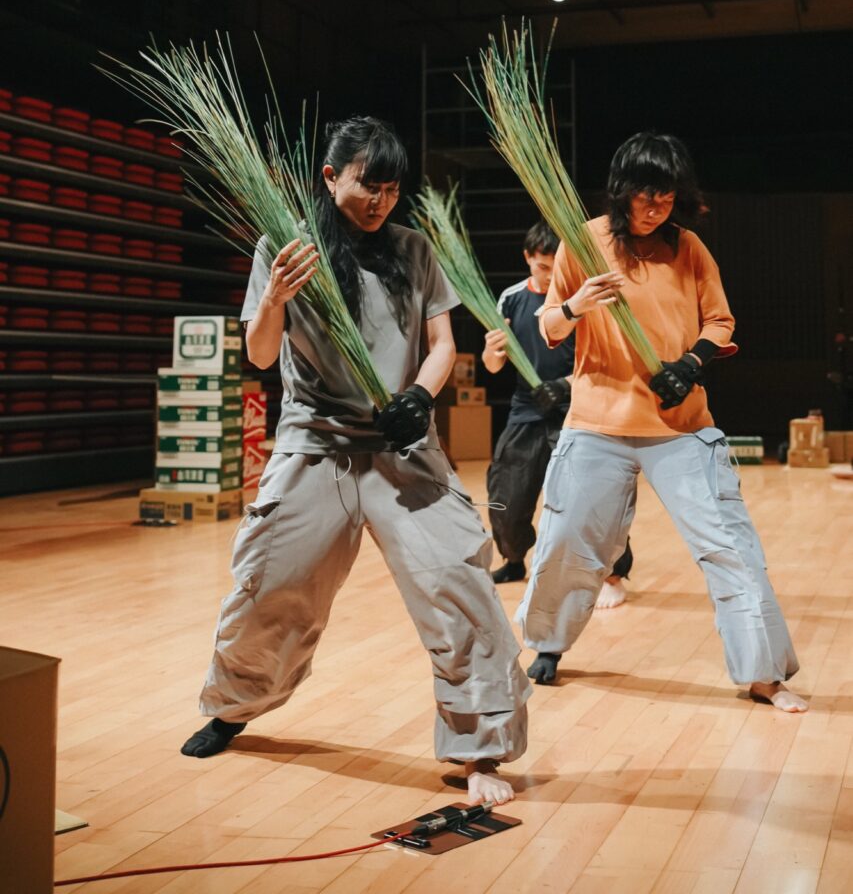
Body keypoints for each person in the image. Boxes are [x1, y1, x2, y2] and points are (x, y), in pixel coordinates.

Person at [181, 116, 530, 803]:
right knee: (270, 586)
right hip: (315, 446)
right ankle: (232, 705)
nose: (379, 201)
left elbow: (440, 345)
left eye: (391, 189)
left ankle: (480, 748)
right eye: (367, 186)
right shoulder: (284, 248)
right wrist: (275, 296)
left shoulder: (413, 248)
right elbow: (258, 353)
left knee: (459, 587)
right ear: (330, 177)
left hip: (402, 446)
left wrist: (419, 399)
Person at [518, 132, 807, 713]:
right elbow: (548, 325)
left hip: (679, 426)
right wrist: (578, 305)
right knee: (566, 541)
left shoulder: (689, 248)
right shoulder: (584, 242)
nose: (656, 209)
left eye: (667, 198)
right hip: (597, 420)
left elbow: (720, 320)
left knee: (729, 543)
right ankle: (546, 643)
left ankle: (763, 673)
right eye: (646, 197)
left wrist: (691, 363)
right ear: (622, 192)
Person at [483, 220, 633, 606]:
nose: (551, 277)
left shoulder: (583, 299)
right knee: (507, 495)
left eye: (557, 268)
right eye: (543, 268)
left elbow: (604, 359)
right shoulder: (511, 298)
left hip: (578, 408)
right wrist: (492, 353)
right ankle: (514, 559)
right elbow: (494, 365)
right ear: (528, 259)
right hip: (525, 410)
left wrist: (564, 385)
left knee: (592, 498)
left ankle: (613, 574)